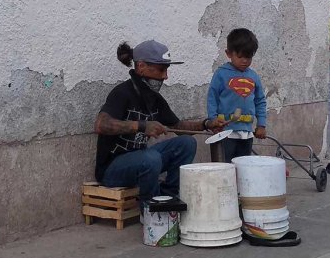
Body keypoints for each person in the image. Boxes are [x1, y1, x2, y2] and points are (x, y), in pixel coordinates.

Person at [94, 39, 227, 204]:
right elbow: (101, 125)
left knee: (187, 143)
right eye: (161, 70)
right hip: (112, 170)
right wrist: (142, 126)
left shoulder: (154, 99)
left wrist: (206, 124)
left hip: (142, 161)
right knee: (151, 158)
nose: (165, 76)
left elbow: (178, 127)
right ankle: (149, 209)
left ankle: (168, 197)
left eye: (167, 70)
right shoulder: (122, 93)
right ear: (141, 67)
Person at [207, 28, 267, 163]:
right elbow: (212, 98)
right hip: (226, 132)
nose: (245, 61)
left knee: (244, 165)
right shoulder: (221, 74)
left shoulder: (253, 76)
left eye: (249, 57)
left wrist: (261, 125)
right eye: (240, 57)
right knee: (226, 166)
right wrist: (212, 120)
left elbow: (260, 101)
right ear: (228, 53)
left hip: (247, 133)